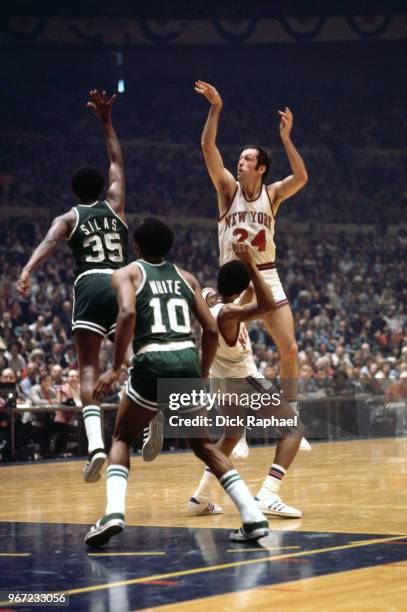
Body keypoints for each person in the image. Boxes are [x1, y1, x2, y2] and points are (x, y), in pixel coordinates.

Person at [85, 218, 270, 546]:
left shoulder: (126, 273)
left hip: (152, 360)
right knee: (204, 446)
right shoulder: (187, 278)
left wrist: (114, 367)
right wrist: (200, 373)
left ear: (136, 247)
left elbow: (127, 314)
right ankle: (252, 516)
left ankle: (114, 512)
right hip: (186, 359)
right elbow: (210, 330)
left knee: (122, 437)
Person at [145, 244, 303, 518]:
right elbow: (266, 304)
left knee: (230, 437)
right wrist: (252, 266)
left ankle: (201, 498)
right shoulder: (230, 314)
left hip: (221, 381)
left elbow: (246, 295)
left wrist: (244, 270)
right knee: (294, 428)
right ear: (240, 289)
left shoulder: (208, 297)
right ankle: (269, 493)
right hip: (243, 380)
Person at [16, 90, 127, 482]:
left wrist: (28, 269)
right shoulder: (115, 205)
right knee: (131, 359)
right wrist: (106, 121)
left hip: (90, 285)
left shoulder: (68, 216)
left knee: (88, 369)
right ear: (101, 188)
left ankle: (96, 445)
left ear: (74, 192)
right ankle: (147, 423)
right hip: (122, 283)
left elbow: (47, 243)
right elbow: (116, 160)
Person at [194, 80, 309, 446]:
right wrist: (216, 108)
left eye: (246, 160)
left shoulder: (273, 194)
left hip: (266, 275)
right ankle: (235, 433)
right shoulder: (226, 189)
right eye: (239, 159)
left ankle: (291, 416)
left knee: (289, 349)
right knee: (229, 359)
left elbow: (302, 178)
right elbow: (206, 146)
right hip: (232, 282)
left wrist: (287, 139)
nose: (238, 162)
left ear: (260, 168)